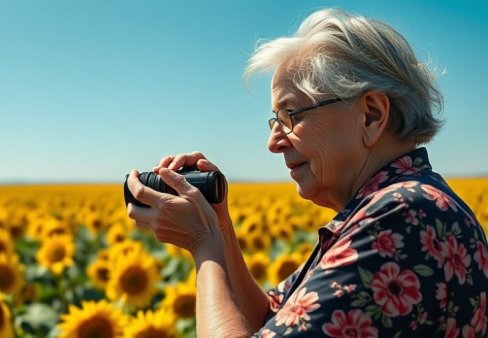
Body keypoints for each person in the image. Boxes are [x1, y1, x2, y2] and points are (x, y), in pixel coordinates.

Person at [125, 8, 488, 337]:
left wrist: (204, 246)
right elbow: (270, 321)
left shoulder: (406, 216)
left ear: (372, 115)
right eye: (274, 120)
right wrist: (220, 228)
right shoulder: (395, 208)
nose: (273, 142)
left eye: (290, 116)